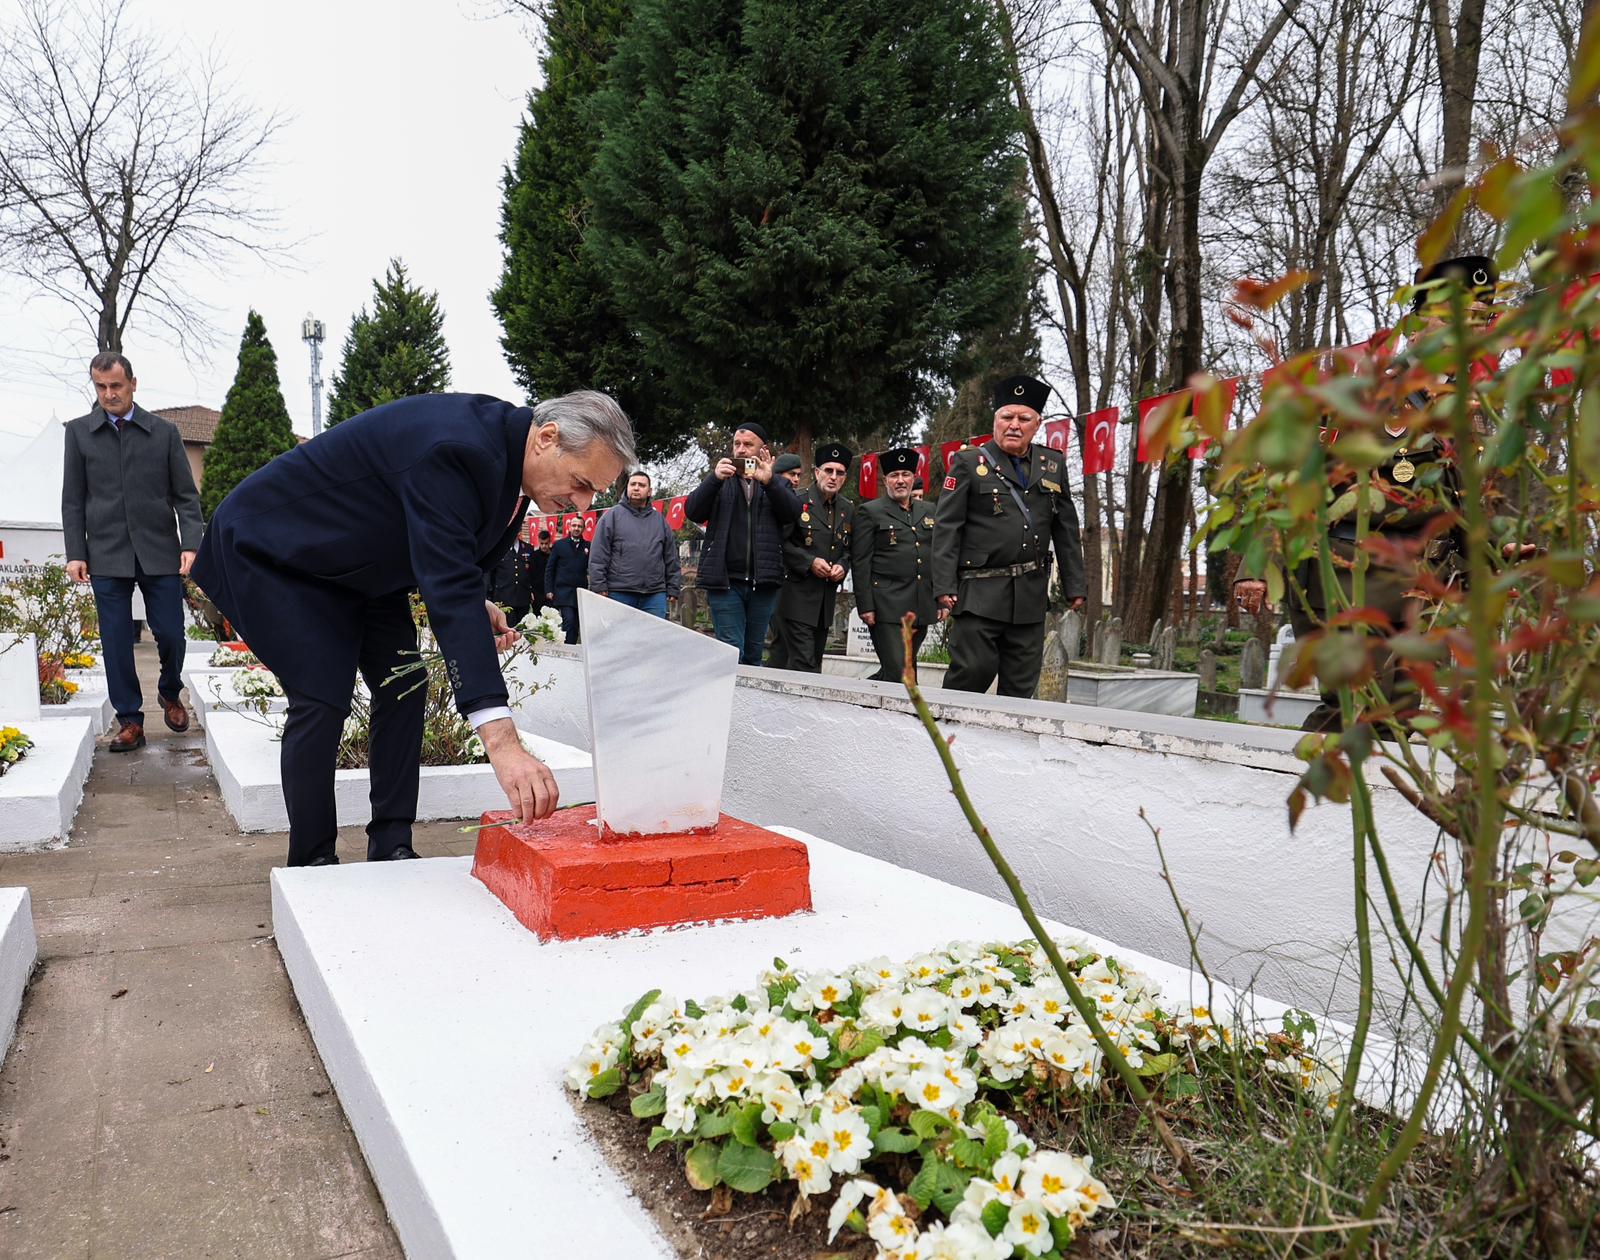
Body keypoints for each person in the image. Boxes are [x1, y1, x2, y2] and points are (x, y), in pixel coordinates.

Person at [191, 390, 634, 866]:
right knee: (322, 693)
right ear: (548, 438)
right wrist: (503, 743)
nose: (583, 504)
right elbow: (448, 581)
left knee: (404, 685)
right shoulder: (459, 448)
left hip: (362, 569)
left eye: (594, 494)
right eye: (582, 483)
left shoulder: (509, 463)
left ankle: (391, 843)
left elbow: (448, 554)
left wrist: (474, 600)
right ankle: (313, 859)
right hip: (275, 553)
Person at [1234, 256, 1487, 732]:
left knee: (1401, 722)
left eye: (1480, 319)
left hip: (1427, 592)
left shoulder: (1469, 408)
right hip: (1351, 583)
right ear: (1415, 326)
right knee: (1350, 718)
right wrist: (1257, 567)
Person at [61, 352, 203, 752]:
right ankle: (130, 720)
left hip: (160, 551)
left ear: (133, 384)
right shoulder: (78, 434)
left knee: (172, 633)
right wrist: (76, 551)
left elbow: (186, 497)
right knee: (116, 640)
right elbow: (73, 500)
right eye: (101, 387)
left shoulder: (164, 433)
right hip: (105, 554)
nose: (109, 394)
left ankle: (170, 691)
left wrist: (191, 543)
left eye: (116, 386)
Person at [932, 375, 1088, 697]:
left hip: (1029, 598)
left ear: (1037, 424)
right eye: (1007, 417)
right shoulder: (967, 463)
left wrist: (1075, 585)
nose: (1014, 425)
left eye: (1023, 418)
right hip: (978, 594)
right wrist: (944, 585)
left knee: (1020, 687)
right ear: (995, 421)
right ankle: (945, 741)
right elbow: (947, 528)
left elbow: (1066, 529)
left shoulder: (1052, 465)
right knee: (972, 674)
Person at [684, 423, 803, 665]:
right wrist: (714, 479)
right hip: (725, 582)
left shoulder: (777, 483)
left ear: (763, 450)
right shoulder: (720, 481)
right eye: (737, 444)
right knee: (731, 651)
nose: (741, 450)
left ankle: (748, 704)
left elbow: (793, 513)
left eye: (748, 445)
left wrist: (770, 482)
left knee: (753, 653)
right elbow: (693, 511)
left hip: (764, 582)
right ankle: (730, 702)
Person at [853, 447, 940, 683]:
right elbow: (860, 562)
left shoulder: (929, 510)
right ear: (885, 480)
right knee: (901, 673)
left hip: (920, 605)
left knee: (901, 670)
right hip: (886, 606)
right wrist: (865, 605)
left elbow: (938, 555)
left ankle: (861, 698)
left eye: (905, 474)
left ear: (914, 477)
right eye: (894, 475)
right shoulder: (869, 512)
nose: (900, 480)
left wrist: (941, 596)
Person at [773, 442, 855, 673]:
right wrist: (809, 562)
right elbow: (780, 542)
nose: (833, 477)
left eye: (839, 473)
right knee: (804, 665)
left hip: (824, 603)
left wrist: (842, 565)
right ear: (817, 472)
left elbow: (848, 549)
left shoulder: (847, 509)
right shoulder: (797, 501)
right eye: (828, 470)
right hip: (795, 598)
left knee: (809, 661)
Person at [589, 469, 682, 618]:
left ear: (649, 491)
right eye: (633, 484)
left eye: (641, 485)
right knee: (619, 639)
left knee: (652, 639)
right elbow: (598, 555)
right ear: (627, 488)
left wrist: (673, 586)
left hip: (654, 595)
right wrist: (598, 585)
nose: (636, 488)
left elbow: (671, 556)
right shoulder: (611, 516)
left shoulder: (660, 521)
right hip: (619, 592)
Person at [546, 515, 592, 644]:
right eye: (574, 525)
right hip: (563, 592)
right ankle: (567, 648)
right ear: (569, 527)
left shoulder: (588, 546)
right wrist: (549, 589)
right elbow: (550, 568)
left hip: (580, 593)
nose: (576, 528)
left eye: (579, 526)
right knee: (569, 621)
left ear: (583, 528)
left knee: (576, 624)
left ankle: (571, 648)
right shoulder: (559, 545)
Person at [486, 531, 535, 627]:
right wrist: (490, 594)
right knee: (508, 628)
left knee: (523, 629)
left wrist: (532, 591)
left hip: (523, 596)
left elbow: (532, 573)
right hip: (504, 596)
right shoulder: (498, 548)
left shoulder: (528, 548)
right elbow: (491, 573)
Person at [528, 530, 551, 617]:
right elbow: (529, 574)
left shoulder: (553, 554)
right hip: (537, 592)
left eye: (546, 543)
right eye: (542, 543)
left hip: (550, 592)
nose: (544, 546)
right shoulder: (534, 555)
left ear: (549, 541)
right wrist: (531, 591)